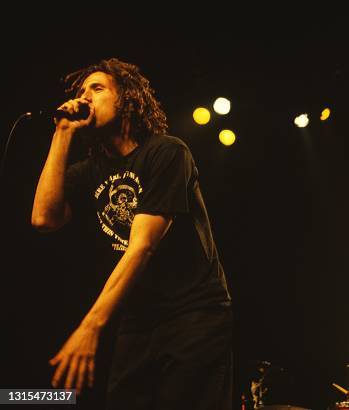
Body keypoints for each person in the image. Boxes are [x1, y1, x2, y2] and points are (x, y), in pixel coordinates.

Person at [31, 58, 232, 410]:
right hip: (138, 318)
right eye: (81, 92)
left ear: (127, 99)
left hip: (194, 313)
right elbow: (44, 218)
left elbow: (142, 246)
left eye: (97, 88)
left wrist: (91, 325)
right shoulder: (91, 170)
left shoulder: (166, 152)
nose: (85, 98)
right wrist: (62, 132)